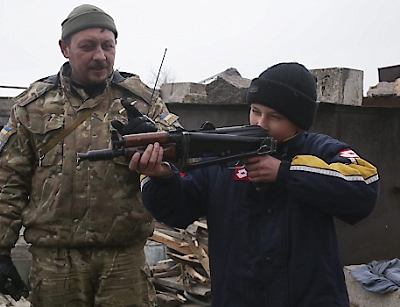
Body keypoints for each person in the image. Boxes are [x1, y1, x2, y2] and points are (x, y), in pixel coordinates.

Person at [129, 62, 380, 306]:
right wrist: (162, 177)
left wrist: (285, 172)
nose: (260, 123)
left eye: (275, 117)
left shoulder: (319, 149)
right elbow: (177, 210)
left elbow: (364, 187)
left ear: (298, 121)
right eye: (255, 111)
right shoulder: (223, 153)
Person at [0, 4, 179, 307]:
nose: (100, 56)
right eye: (87, 46)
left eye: (107, 46)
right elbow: (9, 182)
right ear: (65, 48)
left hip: (122, 259)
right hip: (55, 262)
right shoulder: (33, 105)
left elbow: (181, 148)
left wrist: (154, 135)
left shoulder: (141, 99)